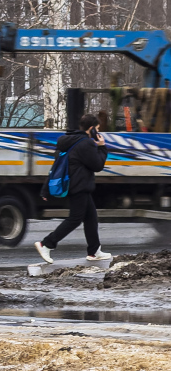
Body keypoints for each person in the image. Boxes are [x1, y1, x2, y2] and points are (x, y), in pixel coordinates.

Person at [35, 113, 112, 264]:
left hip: (73, 184)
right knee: (75, 219)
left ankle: (94, 251)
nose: (98, 132)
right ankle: (46, 244)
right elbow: (97, 165)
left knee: (91, 217)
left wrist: (45, 188)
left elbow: (56, 167)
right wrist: (102, 147)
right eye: (97, 129)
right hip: (79, 186)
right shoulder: (86, 143)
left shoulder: (68, 141)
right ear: (91, 129)